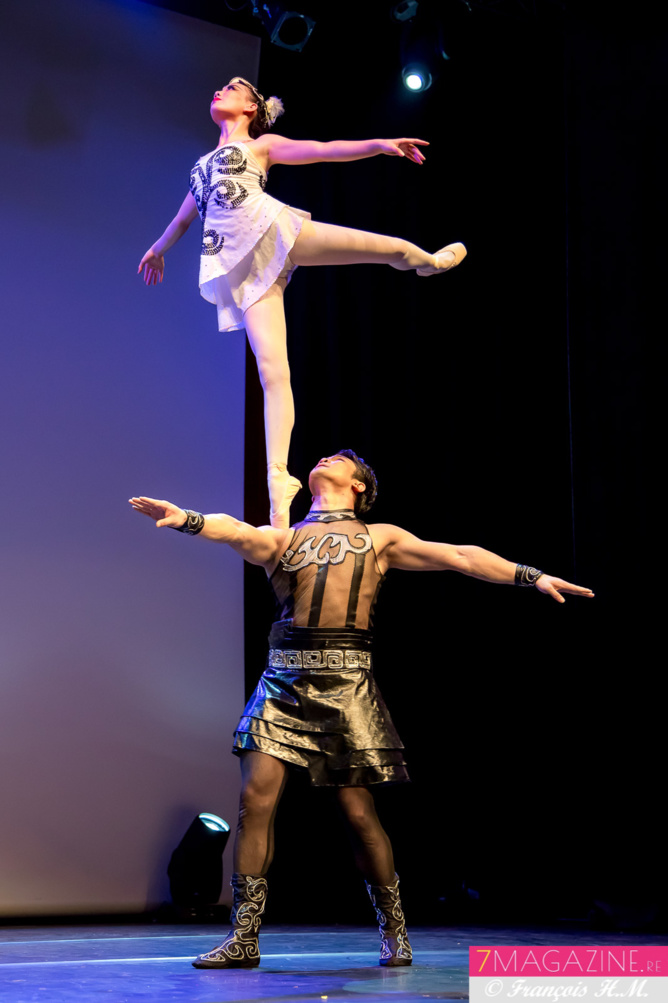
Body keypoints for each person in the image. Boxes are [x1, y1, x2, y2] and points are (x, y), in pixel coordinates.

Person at [129, 450, 594, 970]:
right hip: (283, 680)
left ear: (359, 487)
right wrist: (187, 520)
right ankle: (244, 938)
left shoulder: (382, 537)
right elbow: (235, 531)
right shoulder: (282, 540)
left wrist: (529, 576)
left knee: (357, 813)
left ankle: (394, 933)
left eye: (340, 459)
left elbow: (461, 556)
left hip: (348, 684)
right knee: (254, 801)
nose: (326, 458)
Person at [137, 79, 467, 529]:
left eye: (233, 88)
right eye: (219, 87)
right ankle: (278, 487)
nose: (220, 90)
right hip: (240, 264)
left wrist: (382, 144)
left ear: (252, 108)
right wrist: (158, 249)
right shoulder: (200, 166)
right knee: (274, 373)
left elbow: (324, 149)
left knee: (380, 246)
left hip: (274, 230)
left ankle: (428, 261)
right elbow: (183, 217)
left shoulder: (262, 145)